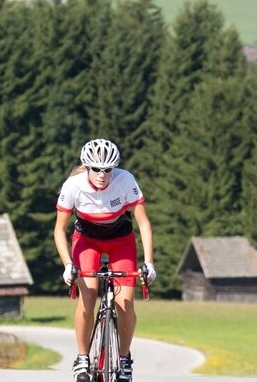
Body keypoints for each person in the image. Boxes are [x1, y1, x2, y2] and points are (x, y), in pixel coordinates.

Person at [54, 139, 156, 382]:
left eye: (108, 169)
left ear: (114, 168)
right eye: (96, 169)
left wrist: (149, 263)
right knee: (88, 296)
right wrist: (68, 265)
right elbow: (59, 230)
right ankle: (82, 358)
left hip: (121, 240)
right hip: (86, 241)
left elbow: (143, 223)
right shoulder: (73, 186)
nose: (102, 175)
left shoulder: (125, 180)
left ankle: (124, 359)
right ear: (86, 167)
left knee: (126, 304)